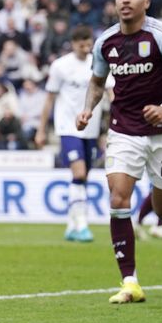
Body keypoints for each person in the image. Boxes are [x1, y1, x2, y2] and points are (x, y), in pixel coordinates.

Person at [76, 0, 162, 304]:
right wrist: (88, 109)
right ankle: (129, 281)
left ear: (146, 2)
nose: (125, 1)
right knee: (119, 199)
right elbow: (95, 81)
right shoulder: (105, 42)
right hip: (123, 130)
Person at [36, 25, 108, 242]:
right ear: (73, 43)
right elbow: (49, 99)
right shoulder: (60, 66)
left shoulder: (99, 64)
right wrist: (41, 129)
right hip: (68, 127)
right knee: (78, 173)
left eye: (89, 44)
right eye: (82, 44)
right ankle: (82, 225)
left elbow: (111, 93)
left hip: (92, 129)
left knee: (84, 177)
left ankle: (70, 225)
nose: (86, 48)